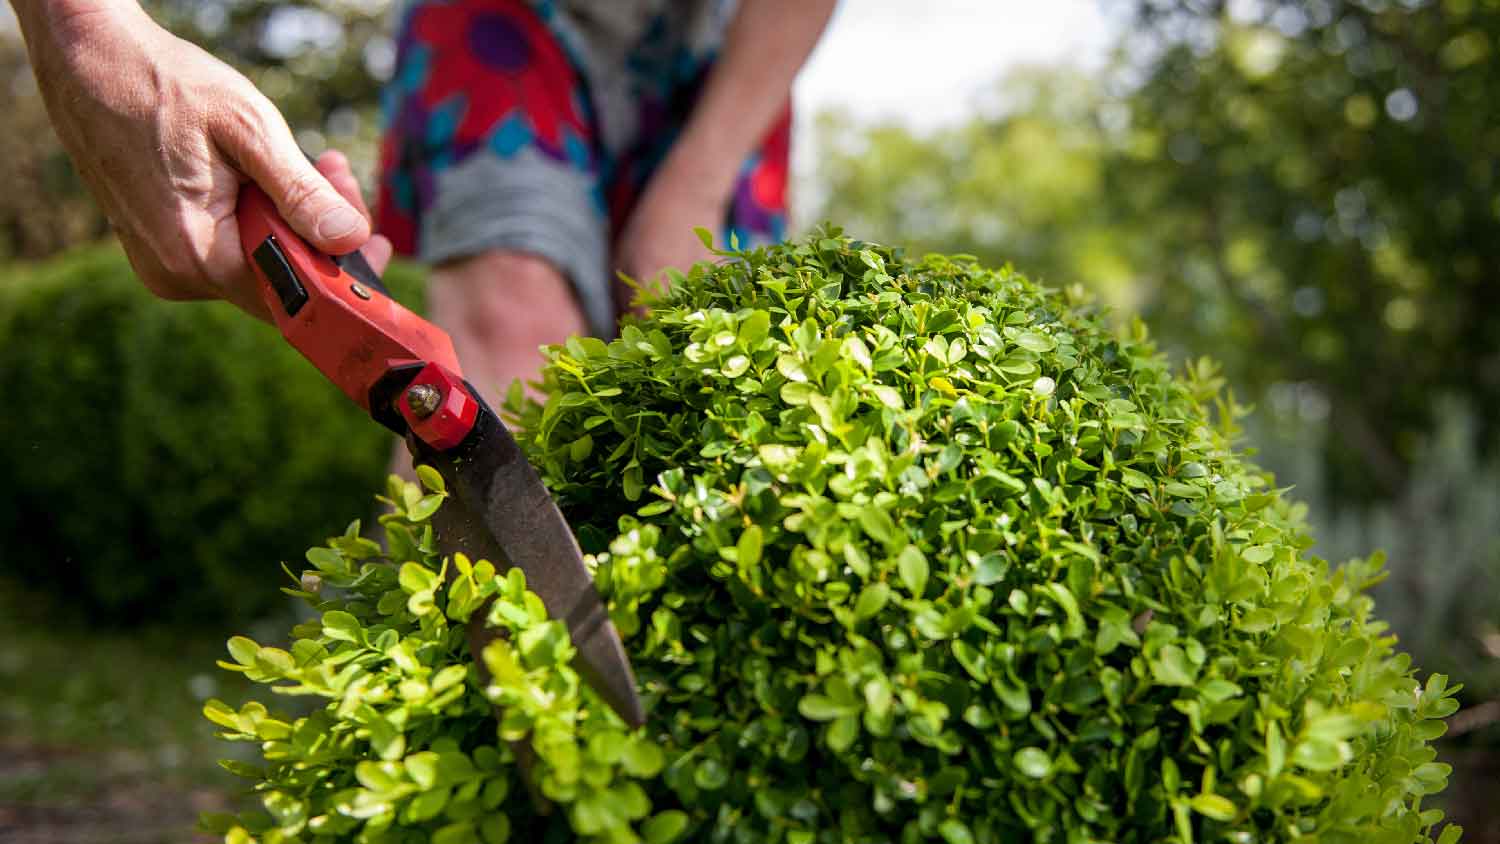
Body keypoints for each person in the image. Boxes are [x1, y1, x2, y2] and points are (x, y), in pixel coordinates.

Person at [9, 0, 835, 409]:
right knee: (507, 332)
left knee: (697, 368)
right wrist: (82, 23)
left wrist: (695, 178)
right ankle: (480, 715)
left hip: (731, 41)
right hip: (501, 20)